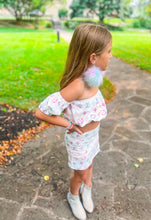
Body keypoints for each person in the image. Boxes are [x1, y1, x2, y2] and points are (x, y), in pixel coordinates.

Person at [35, 23, 112, 220]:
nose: (111, 56)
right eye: (109, 52)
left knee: (90, 164)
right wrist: (69, 125)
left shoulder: (94, 76)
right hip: (79, 140)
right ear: (93, 57)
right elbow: (41, 112)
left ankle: (88, 188)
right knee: (79, 174)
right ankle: (73, 195)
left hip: (92, 135)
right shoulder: (77, 86)